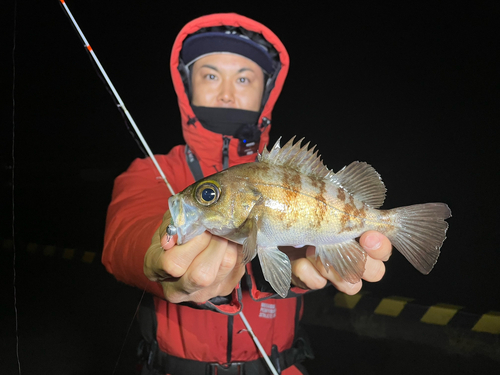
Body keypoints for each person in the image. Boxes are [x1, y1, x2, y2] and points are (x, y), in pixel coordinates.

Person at [102, 13, 392, 375]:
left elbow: (292, 259)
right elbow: (124, 235)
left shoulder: (278, 170)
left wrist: (305, 270)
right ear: (186, 84)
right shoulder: (150, 171)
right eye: (210, 75)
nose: (226, 92)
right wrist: (151, 254)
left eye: (243, 77)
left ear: (267, 90)